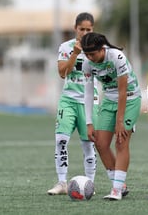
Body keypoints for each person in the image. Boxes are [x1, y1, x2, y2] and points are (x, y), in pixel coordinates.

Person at [82, 32, 141, 201]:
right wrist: (89, 122)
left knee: (121, 141)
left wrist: (120, 121)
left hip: (129, 98)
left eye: (92, 54)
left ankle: (116, 190)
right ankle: (121, 184)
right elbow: (88, 92)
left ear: (102, 49)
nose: (89, 58)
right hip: (108, 101)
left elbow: (123, 91)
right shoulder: (87, 64)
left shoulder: (117, 57)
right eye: (86, 54)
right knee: (100, 143)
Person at [47, 12, 98, 195]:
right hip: (68, 100)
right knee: (61, 140)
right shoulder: (66, 47)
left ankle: (90, 184)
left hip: (89, 103)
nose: (84, 32)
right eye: (81, 29)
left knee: (88, 145)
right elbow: (62, 73)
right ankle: (62, 182)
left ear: (93, 29)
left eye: (88, 29)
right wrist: (75, 54)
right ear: (75, 29)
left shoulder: (99, 48)